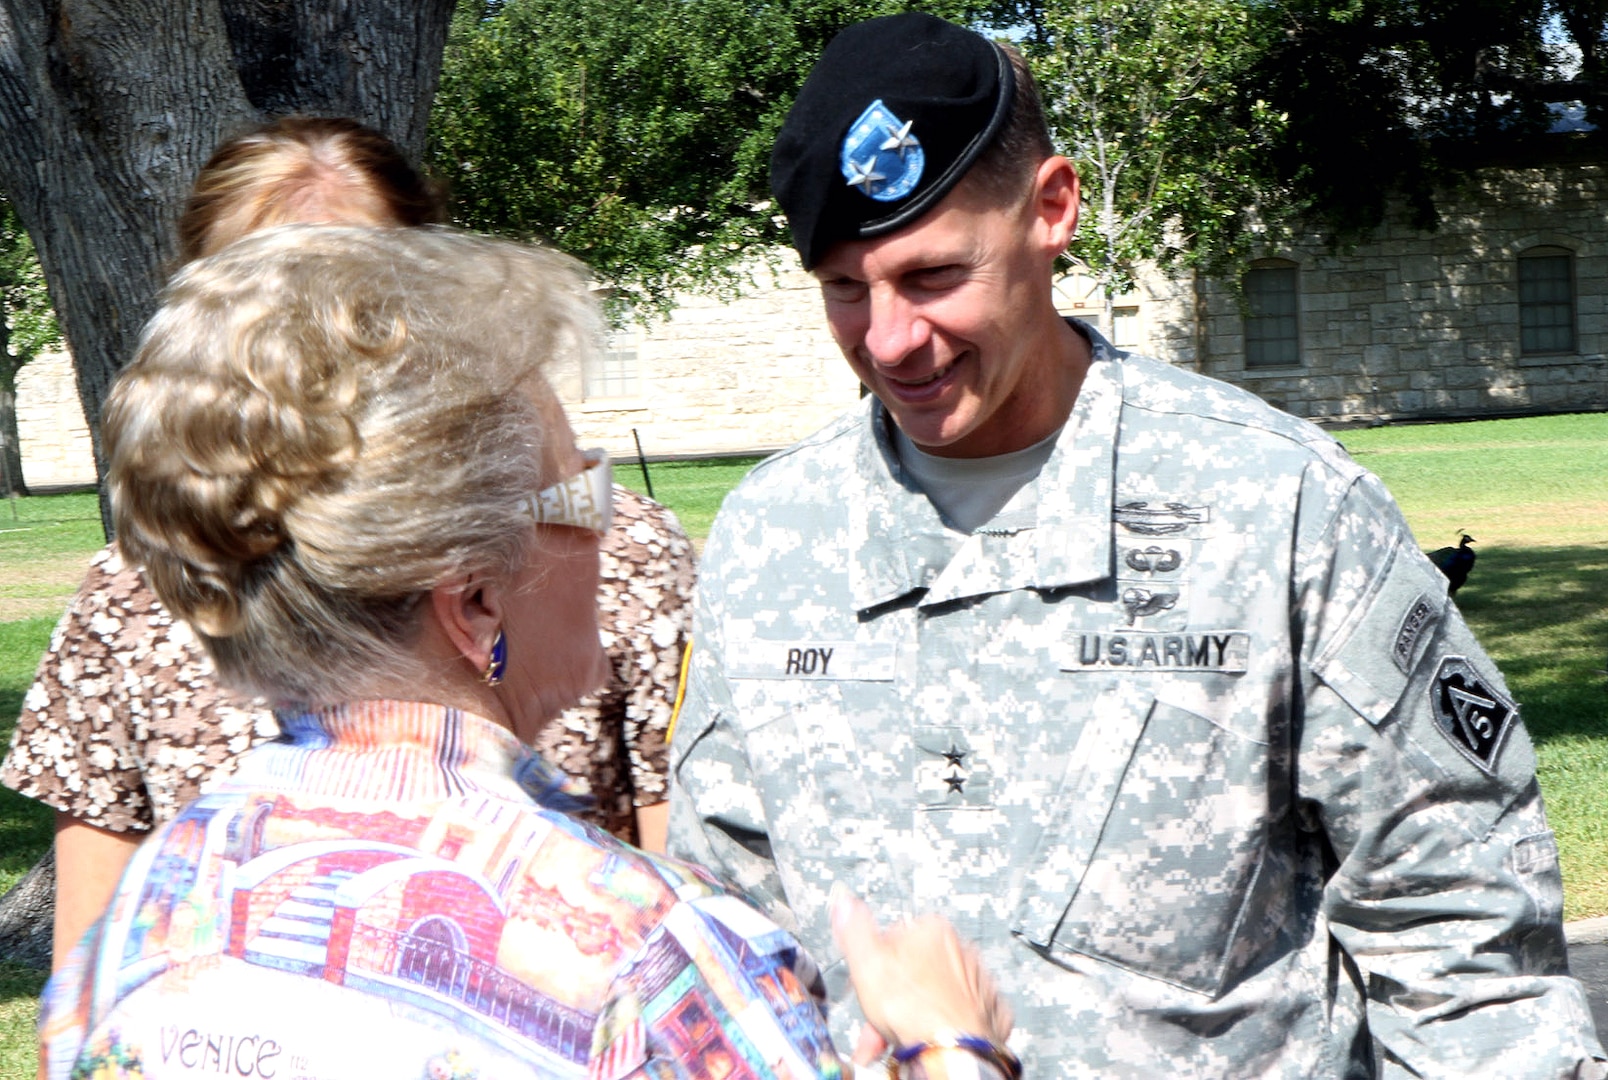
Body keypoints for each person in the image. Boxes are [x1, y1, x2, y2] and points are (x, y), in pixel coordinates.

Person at [666, 12, 1607, 1078]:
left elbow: (1462, 943)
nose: (887, 341)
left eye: (932, 277)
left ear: (1053, 210)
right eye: (845, 287)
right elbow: (729, 941)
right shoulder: (770, 540)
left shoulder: (1279, 509)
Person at [36, 224, 1012, 1080]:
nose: (613, 532)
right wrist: (951, 1044)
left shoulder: (143, 914)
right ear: (474, 602)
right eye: (575, 499)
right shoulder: (649, 962)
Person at [2, 116, 693, 971]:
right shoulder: (130, 596)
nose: (305, 349)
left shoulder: (608, 554)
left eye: (354, 298)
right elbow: (93, 962)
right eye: (253, 305)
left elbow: (682, 896)